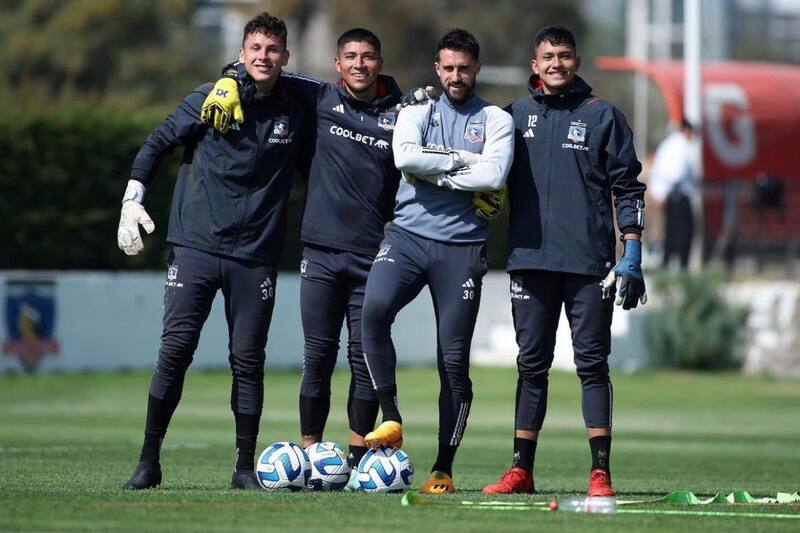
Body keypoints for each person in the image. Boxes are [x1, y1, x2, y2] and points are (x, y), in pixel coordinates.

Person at [201, 28, 409, 491]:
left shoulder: (403, 114)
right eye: (350, 56)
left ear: (379, 62)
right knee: (317, 357)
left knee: (362, 359)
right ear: (337, 64)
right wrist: (227, 78)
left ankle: (358, 463)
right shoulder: (319, 96)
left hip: (373, 255)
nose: (359, 64)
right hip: (319, 252)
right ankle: (313, 457)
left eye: (367, 57)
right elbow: (262, 70)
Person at [118, 12, 308, 491]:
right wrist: (132, 198)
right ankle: (148, 460)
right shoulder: (209, 96)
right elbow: (157, 143)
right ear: (242, 53)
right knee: (175, 351)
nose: (264, 57)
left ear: (285, 56)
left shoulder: (297, 109)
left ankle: (244, 468)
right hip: (196, 246)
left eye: (273, 50)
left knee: (248, 359)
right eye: (255, 49)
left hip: (256, 256)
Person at [481, 25, 647, 496]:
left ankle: (600, 473)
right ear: (535, 65)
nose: (556, 63)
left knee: (592, 365)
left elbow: (628, 185)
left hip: (589, 264)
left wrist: (632, 248)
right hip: (529, 260)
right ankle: (521, 471)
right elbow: (482, 174)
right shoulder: (512, 116)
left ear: (577, 62)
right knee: (531, 366)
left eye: (565, 55)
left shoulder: (603, 116)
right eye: (548, 56)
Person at [360, 28, 513, 494]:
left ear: (476, 68)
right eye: (448, 68)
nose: (455, 76)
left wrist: (436, 171)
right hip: (406, 238)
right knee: (372, 312)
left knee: (453, 361)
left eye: (463, 68)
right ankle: (391, 418)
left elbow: (495, 174)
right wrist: (464, 163)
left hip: (461, 249)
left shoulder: (495, 119)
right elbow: (404, 159)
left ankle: (443, 467)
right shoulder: (416, 109)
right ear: (437, 69)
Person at [649, 119, 696, 269]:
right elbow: (676, 174)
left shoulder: (667, 144)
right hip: (678, 196)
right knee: (682, 234)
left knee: (670, 233)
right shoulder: (681, 145)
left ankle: (667, 267)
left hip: (668, 196)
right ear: (687, 130)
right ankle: (681, 268)